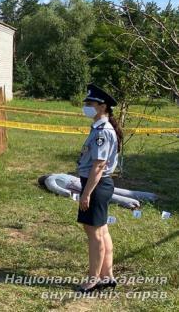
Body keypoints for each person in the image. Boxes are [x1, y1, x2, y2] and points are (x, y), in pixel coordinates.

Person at [76, 84, 121, 293]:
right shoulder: (100, 128)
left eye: (90, 103)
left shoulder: (103, 132)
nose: (87, 106)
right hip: (100, 184)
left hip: (96, 184)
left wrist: (86, 194)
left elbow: (98, 166)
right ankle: (107, 275)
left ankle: (93, 279)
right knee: (102, 229)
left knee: (93, 232)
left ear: (102, 107)